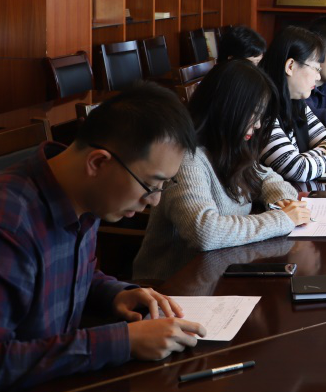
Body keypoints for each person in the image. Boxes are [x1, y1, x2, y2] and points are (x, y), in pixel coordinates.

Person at [0, 85, 207, 392]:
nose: (154, 202)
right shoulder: (1, 223)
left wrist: (114, 293)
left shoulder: (85, 197)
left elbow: (70, 273)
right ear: (98, 162)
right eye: (151, 185)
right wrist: (121, 342)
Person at [133, 61, 311, 281]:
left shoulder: (231, 148)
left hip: (219, 274)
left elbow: (268, 177)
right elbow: (204, 231)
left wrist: (282, 201)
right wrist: (281, 219)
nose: (257, 125)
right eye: (254, 114)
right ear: (228, 108)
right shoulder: (187, 159)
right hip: (171, 285)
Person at [258, 26, 326, 185]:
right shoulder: (261, 108)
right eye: (315, 68)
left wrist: (303, 160)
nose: (317, 77)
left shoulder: (297, 102)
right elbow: (299, 170)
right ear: (290, 66)